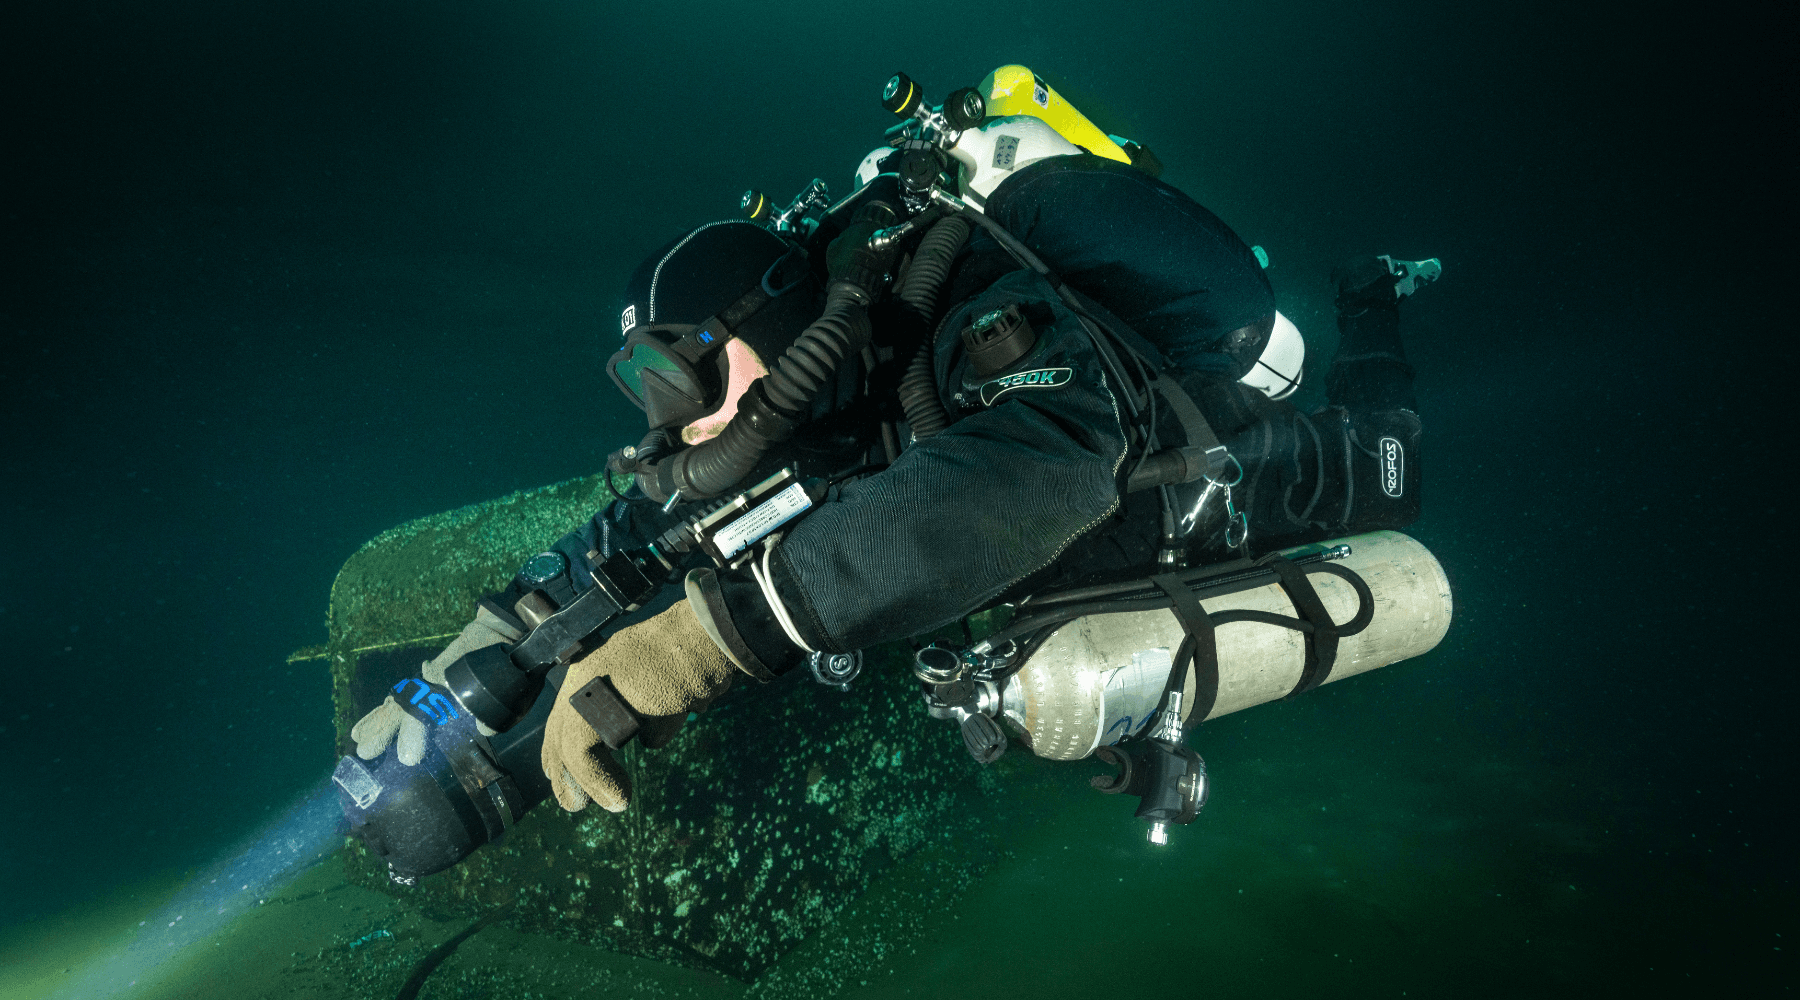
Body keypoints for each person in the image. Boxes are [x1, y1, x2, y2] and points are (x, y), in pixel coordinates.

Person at [350, 151, 1440, 816]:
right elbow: (652, 522)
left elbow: (1036, 467)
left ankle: (1373, 296)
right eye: (642, 388)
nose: (668, 419)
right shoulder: (824, 409)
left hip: (1224, 473)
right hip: (1091, 555)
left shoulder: (966, 312)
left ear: (773, 322)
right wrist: (486, 641)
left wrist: (694, 643)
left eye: (678, 370)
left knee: (1388, 452)